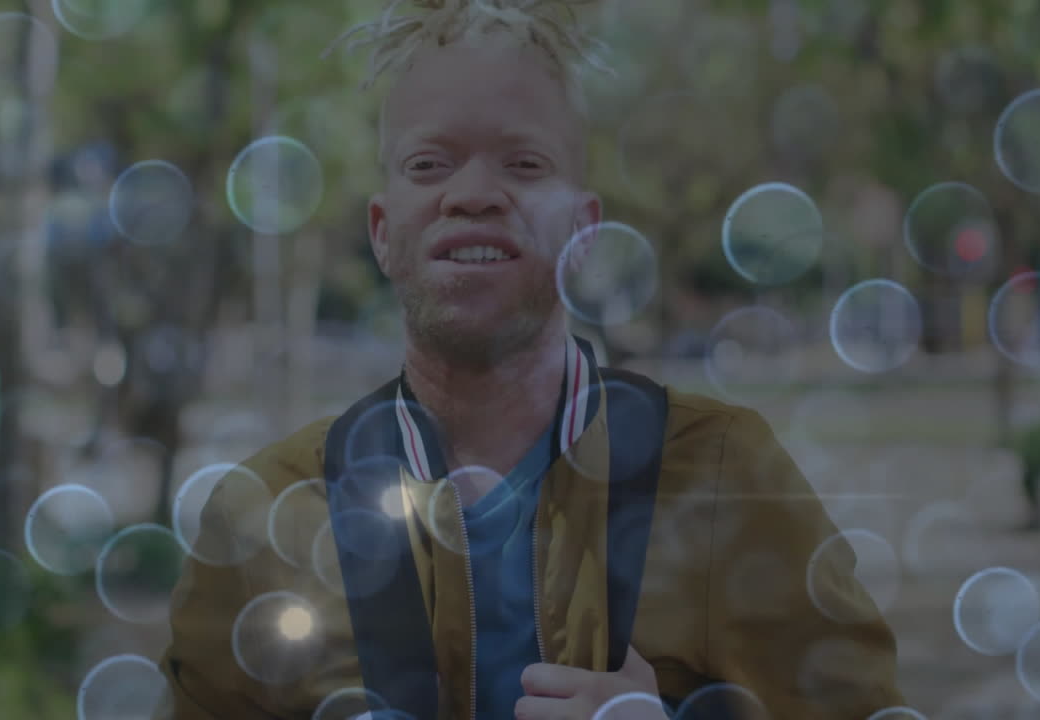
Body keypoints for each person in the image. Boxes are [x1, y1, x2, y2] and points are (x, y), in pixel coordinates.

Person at [157, 1, 905, 718]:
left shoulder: (723, 479)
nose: (474, 193)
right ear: (382, 232)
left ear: (584, 232)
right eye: (428, 163)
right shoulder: (261, 517)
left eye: (523, 163)